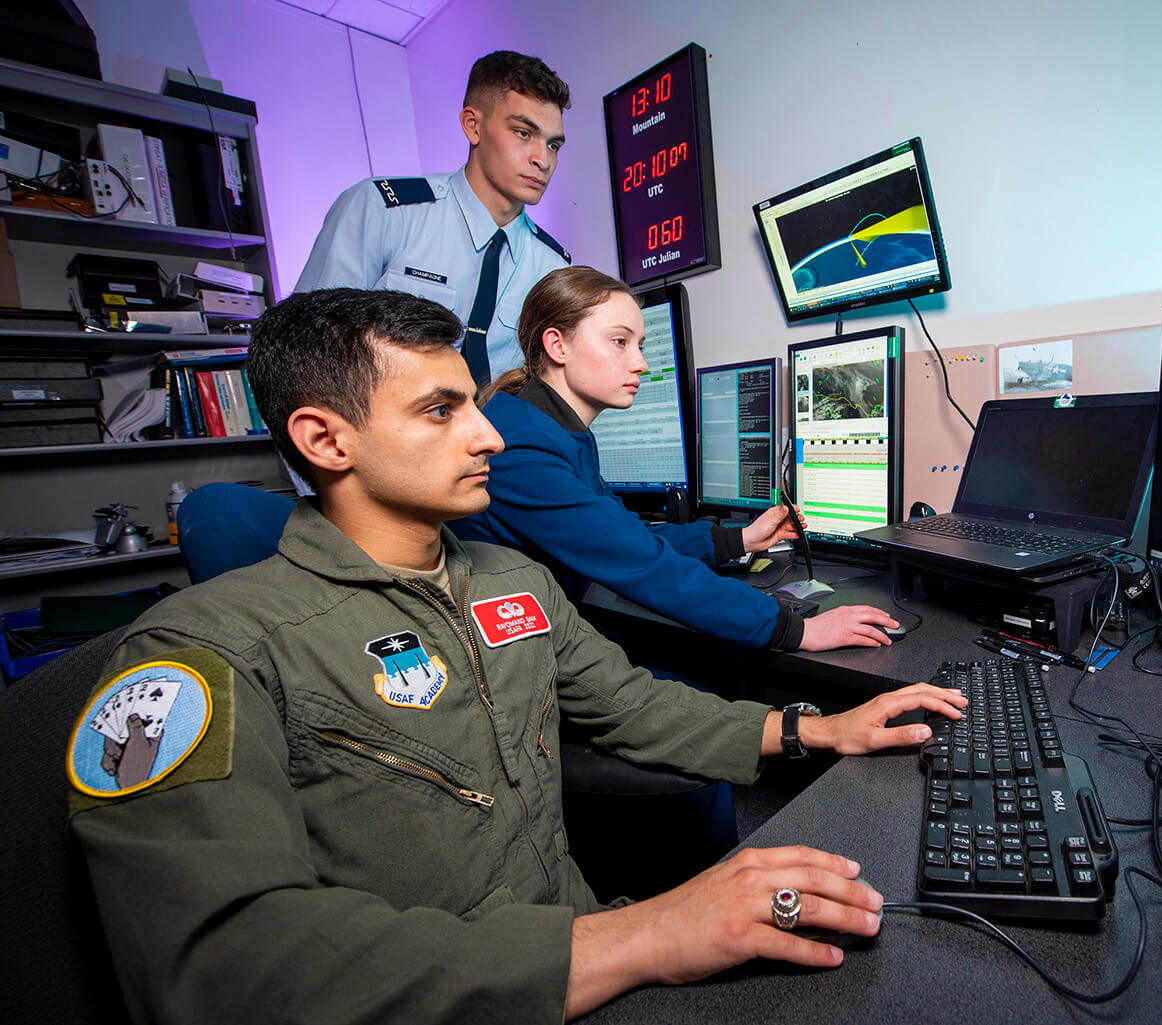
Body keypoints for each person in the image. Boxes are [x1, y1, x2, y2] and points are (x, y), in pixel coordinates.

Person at [66, 287, 966, 1023]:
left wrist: (817, 727)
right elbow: (223, 972)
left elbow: (633, 704)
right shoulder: (201, 655)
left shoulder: (507, 579)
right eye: (440, 410)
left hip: (578, 961)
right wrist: (649, 933)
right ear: (324, 439)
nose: (490, 433)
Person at [452, 266, 902, 652]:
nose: (641, 363)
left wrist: (739, 539)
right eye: (620, 342)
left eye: (641, 345)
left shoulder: (549, 427)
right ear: (558, 345)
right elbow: (642, 562)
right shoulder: (523, 446)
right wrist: (796, 629)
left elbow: (626, 536)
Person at [293, 50, 573, 388]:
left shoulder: (552, 266)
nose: (542, 160)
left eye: (553, 145)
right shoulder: (382, 212)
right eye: (523, 133)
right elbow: (308, 350)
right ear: (473, 126)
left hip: (499, 439)